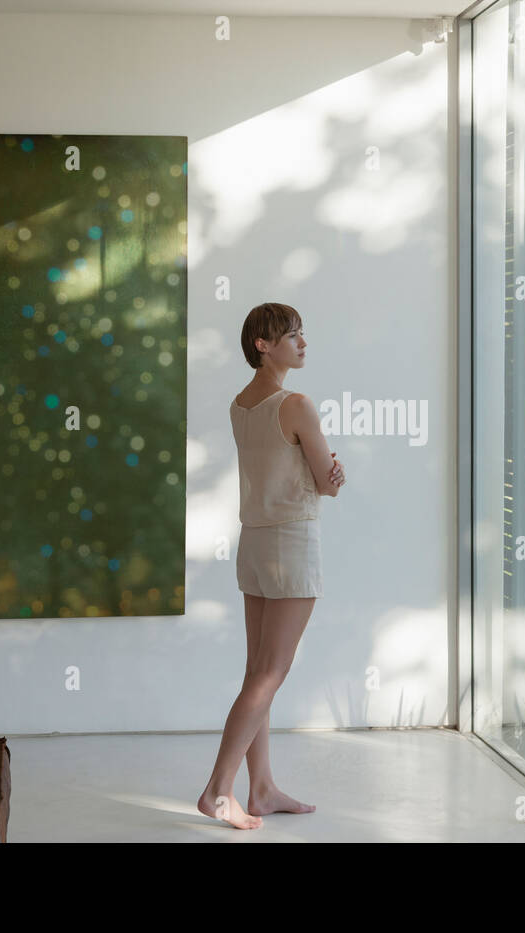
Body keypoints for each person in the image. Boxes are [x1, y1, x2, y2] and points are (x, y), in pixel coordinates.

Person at [196, 302, 346, 830]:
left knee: (256, 671)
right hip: (290, 542)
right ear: (263, 345)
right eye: (291, 334)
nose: (302, 342)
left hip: (254, 545)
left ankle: (259, 789)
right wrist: (333, 474)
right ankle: (219, 790)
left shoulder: (240, 404)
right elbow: (327, 482)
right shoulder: (296, 403)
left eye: (302, 333)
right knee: (269, 673)